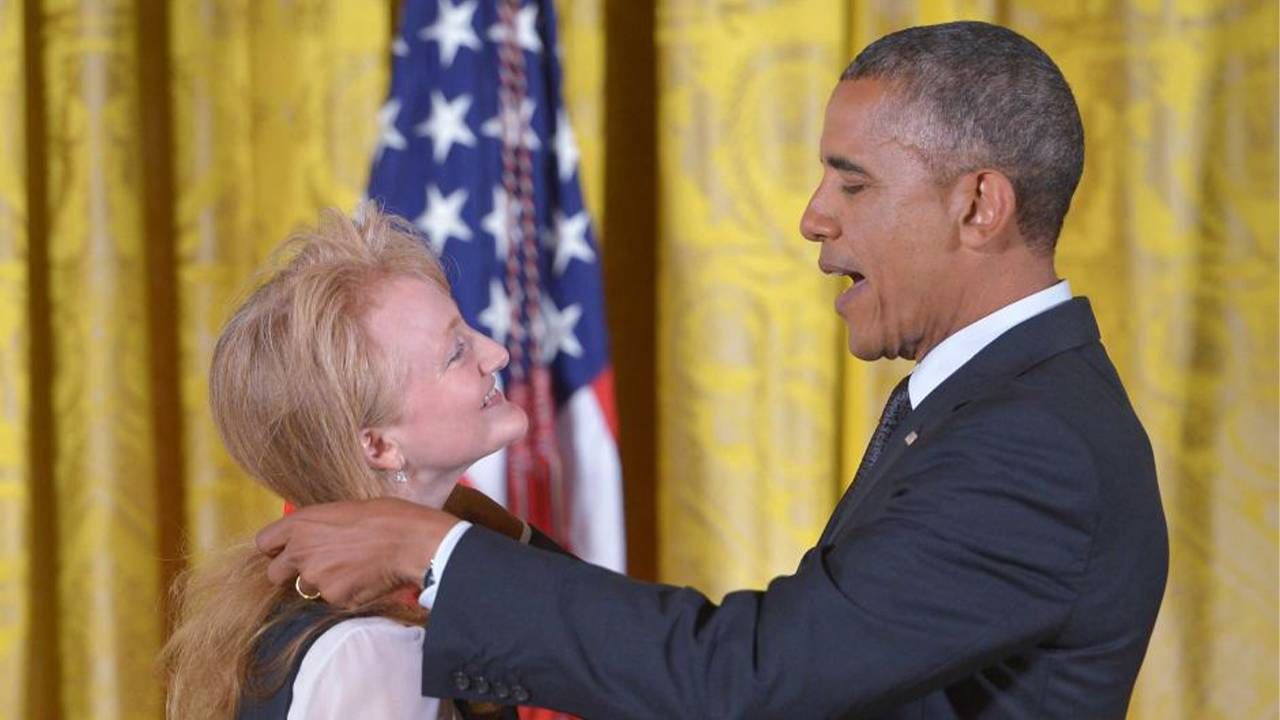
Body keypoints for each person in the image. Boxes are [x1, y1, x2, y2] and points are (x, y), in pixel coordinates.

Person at [255, 21, 1169, 719]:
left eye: (853, 184)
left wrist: (432, 553)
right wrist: (500, 550)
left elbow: (756, 677)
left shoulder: (1030, 441)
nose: (815, 218)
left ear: (979, 205)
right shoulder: (1001, 403)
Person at [161, 207, 537, 719]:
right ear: (379, 446)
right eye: (455, 352)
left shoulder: (320, 617)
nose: (496, 354)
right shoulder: (373, 652)